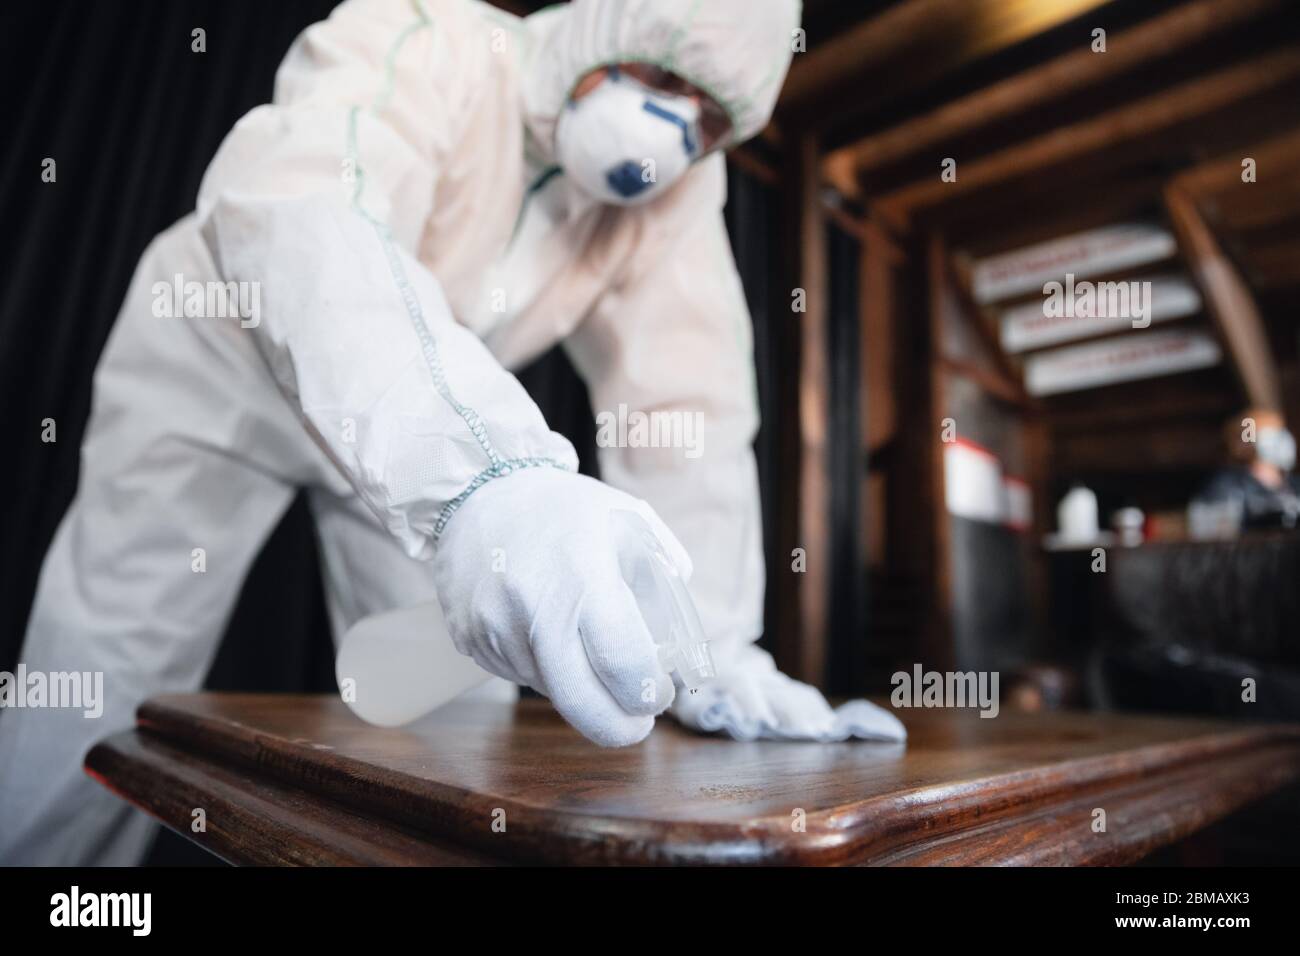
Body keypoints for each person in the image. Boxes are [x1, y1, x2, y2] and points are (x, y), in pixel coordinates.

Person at [0, 0, 903, 866]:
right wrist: (483, 480)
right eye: (664, 73)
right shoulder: (431, 39)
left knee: (456, 724)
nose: (668, 135)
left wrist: (706, 646)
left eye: (709, 122)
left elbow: (687, 409)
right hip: (221, 365)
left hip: (419, 431)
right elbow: (308, 210)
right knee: (104, 675)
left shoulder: (676, 201)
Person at [1195, 408, 1300, 532]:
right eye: (1272, 434)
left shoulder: (1294, 484)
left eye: (1281, 432)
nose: (1283, 441)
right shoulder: (1226, 487)